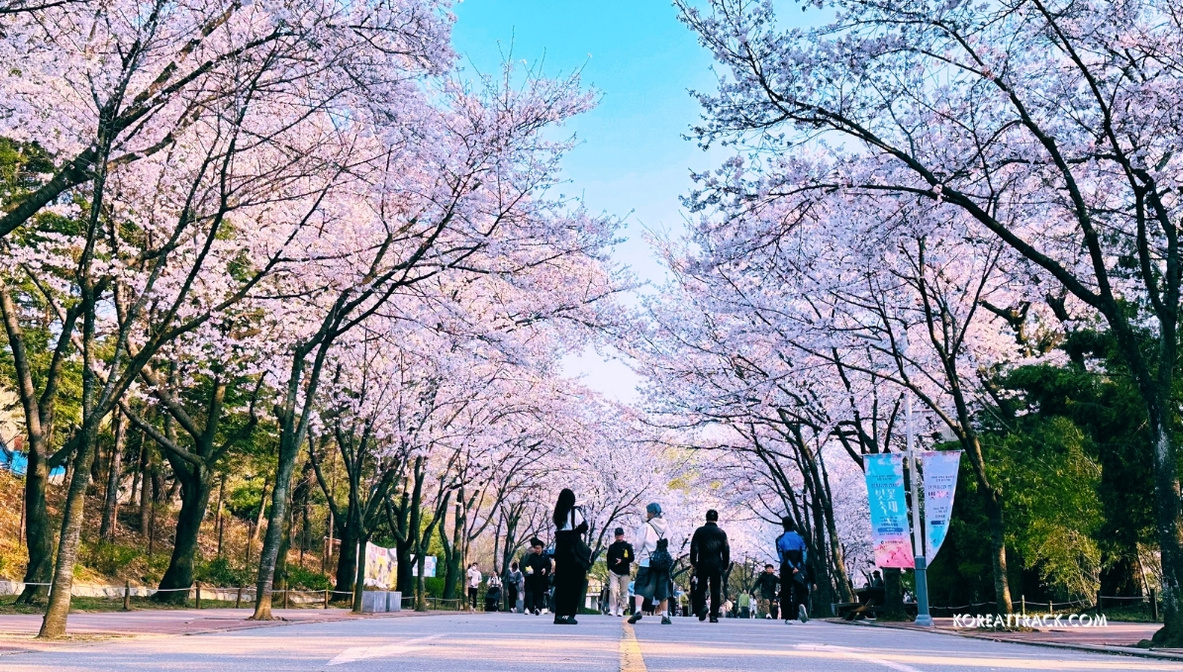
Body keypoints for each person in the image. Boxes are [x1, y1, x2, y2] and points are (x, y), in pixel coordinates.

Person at [628, 502, 673, 625]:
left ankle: (637, 610)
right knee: (663, 588)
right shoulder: (666, 527)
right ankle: (665, 616)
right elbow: (668, 542)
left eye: (648, 511)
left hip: (647, 560)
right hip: (662, 562)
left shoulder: (646, 527)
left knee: (641, 586)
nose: (646, 514)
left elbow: (638, 545)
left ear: (652, 513)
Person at [552, 488, 589, 625]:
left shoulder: (558, 513)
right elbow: (584, 527)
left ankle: (559, 615)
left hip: (561, 551)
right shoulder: (575, 512)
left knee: (561, 583)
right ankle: (569, 614)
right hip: (573, 553)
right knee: (574, 584)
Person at [689, 509, 730, 623]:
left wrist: (693, 562)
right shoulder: (721, 533)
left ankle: (702, 607)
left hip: (702, 563)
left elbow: (694, 548)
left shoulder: (700, 531)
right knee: (715, 589)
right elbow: (726, 550)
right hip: (716, 564)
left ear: (706, 518)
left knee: (701, 587)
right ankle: (713, 615)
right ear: (716, 518)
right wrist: (725, 565)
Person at [776, 517, 809, 623]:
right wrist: (798, 567)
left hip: (786, 570)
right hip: (799, 569)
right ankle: (801, 605)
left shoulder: (780, 539)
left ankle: (788, 616)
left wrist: (791, 567)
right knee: (800, 590)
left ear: (783, 525)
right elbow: (804, 554)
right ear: (793, 524)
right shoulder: (800, 538)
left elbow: (782, 557)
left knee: (786, 593)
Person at [605, 527, 634, 617]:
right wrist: (610, 567)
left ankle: (621, 608)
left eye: (620, 535)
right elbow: (608, 558)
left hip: (624, 571)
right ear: (615, 536)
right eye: (617, 535)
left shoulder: (627, 546)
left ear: (623, 535)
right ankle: (612, 609)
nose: (619, 537)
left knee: (623, 591)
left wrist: (622, 561)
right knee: (613, 589)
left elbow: (631, 558)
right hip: (613, 571)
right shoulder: (612, 547)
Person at [522, 539, 551, 615]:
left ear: (541, 549)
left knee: (539, 593)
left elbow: (548, 565)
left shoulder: (545, 557)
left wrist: (545, 569)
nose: (537, 550)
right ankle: (529, 608)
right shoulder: (531, 556)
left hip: (541, 578)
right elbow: (527, 565)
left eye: (538, 548)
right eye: (536, 548)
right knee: (531, 593)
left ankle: (538, 607)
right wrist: (529, 569)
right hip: (532, 578)